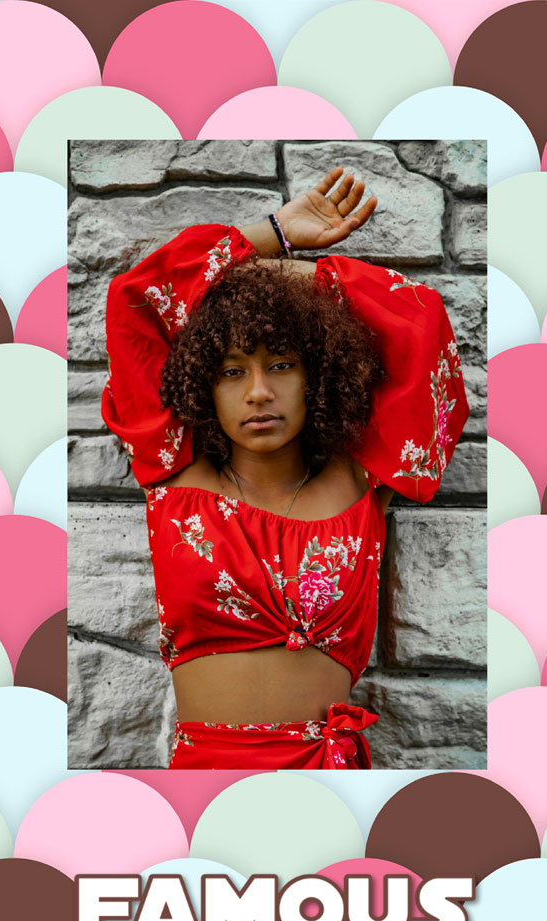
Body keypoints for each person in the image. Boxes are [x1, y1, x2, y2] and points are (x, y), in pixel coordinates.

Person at [102, 167, 469, 770]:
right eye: (231, 370)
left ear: (317, 376)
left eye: (281, 365)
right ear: (202, 387)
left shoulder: (362, 482)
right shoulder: (172, 476)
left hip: (325, 781)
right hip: (205, 780)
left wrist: (308, 276)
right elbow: (136, 298)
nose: (257, 393)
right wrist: (273, 235)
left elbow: (421, 321)